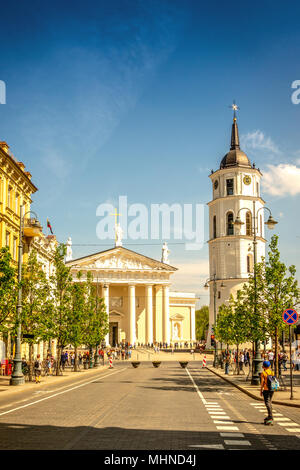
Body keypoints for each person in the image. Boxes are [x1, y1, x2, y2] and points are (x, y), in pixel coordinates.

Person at [260, 360, 275, 425]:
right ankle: (270, 416)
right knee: (270, 402)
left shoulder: (263, 373)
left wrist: (261, 390)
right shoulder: (272, 372)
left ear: (263, 366)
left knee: (267, 403)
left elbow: (262, 382)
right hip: (272, 389)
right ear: (269, 366)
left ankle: (270, 416)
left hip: (266, 389)